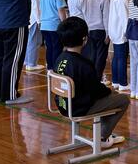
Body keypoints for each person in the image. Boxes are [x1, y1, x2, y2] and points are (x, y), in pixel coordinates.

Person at [54, 17, 129, 149]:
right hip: (79, 107)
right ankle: (102, 137)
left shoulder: (60, 58)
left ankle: (103, 134)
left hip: (63, 105)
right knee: (123, 99)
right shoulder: (83, 64)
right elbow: (96, 91)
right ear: (84, 39)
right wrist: (109, 91)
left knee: (110, 97)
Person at [107, 0, 133, 92]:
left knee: (117, 57)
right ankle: (123, 83)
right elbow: (125, 17)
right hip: (121, 31)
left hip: (115, 30)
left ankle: (116, 81)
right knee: (122, 57)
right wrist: (129, 33)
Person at [83, 0, 111, 79]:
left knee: (92, 56)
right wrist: (108, 34)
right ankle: (97, 79)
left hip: (90, 30)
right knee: (101, 57)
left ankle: (91, 78)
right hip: (101, 31)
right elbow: (106, 17)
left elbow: (86, 15)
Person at [39, 0, 68, 73]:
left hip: (44, 26)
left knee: (49, 47)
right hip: (55, 26)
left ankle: (50, 68)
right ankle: (56, 68)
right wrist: (64, 24)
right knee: (57, 48)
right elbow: (61, 11)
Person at [23, 0, 45, 73]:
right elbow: (36, 7)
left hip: (28, 19)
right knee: (34, 41)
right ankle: (31, 63)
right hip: (34, 20)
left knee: (29, 41)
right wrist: (39, 21)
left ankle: (27, 61)